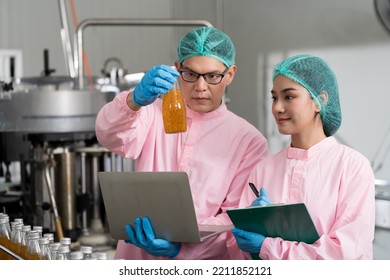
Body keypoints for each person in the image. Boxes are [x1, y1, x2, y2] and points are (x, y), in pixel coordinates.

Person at [95, 26, 268, 259]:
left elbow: (234, 218)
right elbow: (109, 135)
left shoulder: (248, 141)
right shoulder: (152, 113)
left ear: (230, 74)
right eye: (191, 74)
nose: (200, 87)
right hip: (136, 259)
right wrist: (133, 100)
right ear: (177, 69)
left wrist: (183, 249)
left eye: (213, 76)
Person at [227, 54, 375, 260]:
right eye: (274, 97)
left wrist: (267, 246)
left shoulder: (352, 167)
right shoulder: (264, 169)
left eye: (289, 97)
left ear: (319, 101)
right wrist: (249, 230)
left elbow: (345, 254)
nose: (277, 107)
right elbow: (236, 250)